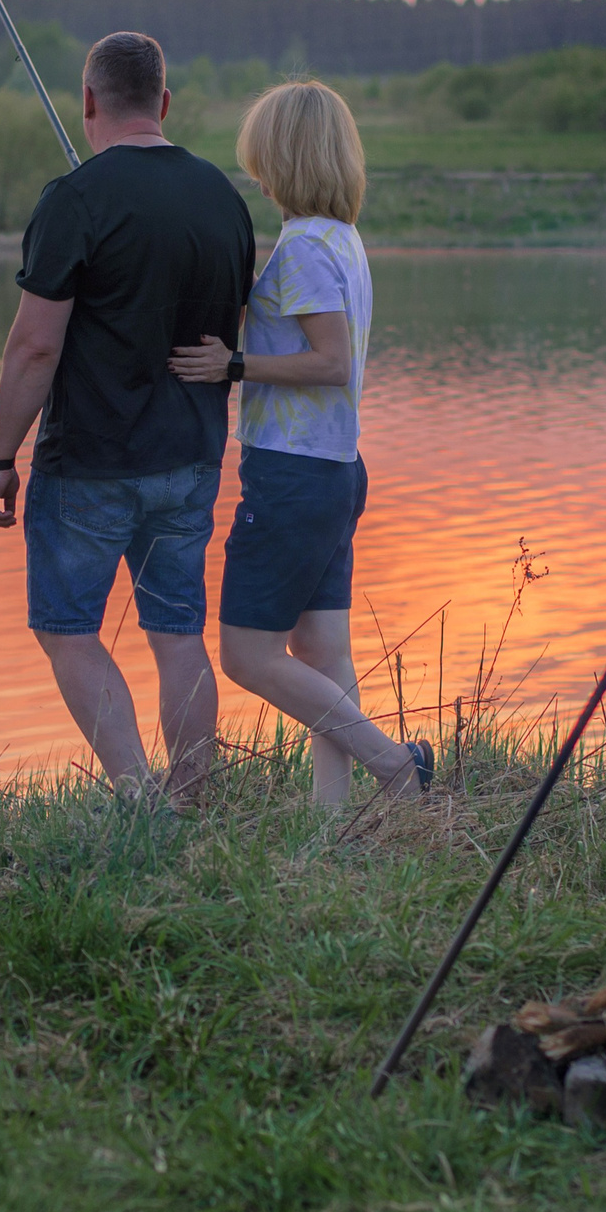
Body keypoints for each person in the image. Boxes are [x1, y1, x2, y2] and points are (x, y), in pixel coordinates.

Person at [0, 30, 253, 800]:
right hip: (193, 454)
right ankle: (195, 794)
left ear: (90, 101)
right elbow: (229, 324)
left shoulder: (74, 200)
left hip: (91, 463)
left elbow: (34, 346)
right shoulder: (222, 196)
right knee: (177, 633)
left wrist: (2, 456)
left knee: (66, 628)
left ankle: (137, 796)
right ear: (164, 102)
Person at [171, 81, 427, 806]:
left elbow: (330, 360)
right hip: (335, 470)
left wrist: (235, 363)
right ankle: (332, 821)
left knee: (247, 655)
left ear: (281, 157)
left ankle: (395, 764)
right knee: (320, 653)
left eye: (259, 155)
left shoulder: (309, 246)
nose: (253, 170)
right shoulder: (335, 239)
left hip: (294, 475)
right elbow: (305, 325)